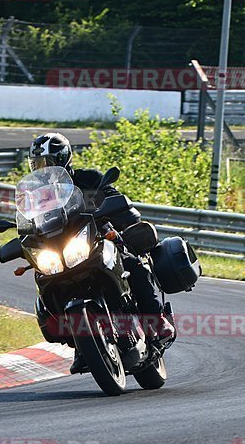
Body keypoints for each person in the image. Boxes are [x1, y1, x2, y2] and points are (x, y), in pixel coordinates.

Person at [28, 132, 174, 374]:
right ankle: (80, 344)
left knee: (133, 263)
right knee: (45, 282)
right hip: (60, 250)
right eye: (39, 165)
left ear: (64, 160)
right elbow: (29, 222)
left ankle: (157, 319)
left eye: (50, 163)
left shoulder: (89, 179)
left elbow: (115, 197)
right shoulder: (36, 196)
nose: (45, 169)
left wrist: (115, 208)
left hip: (97, 237)